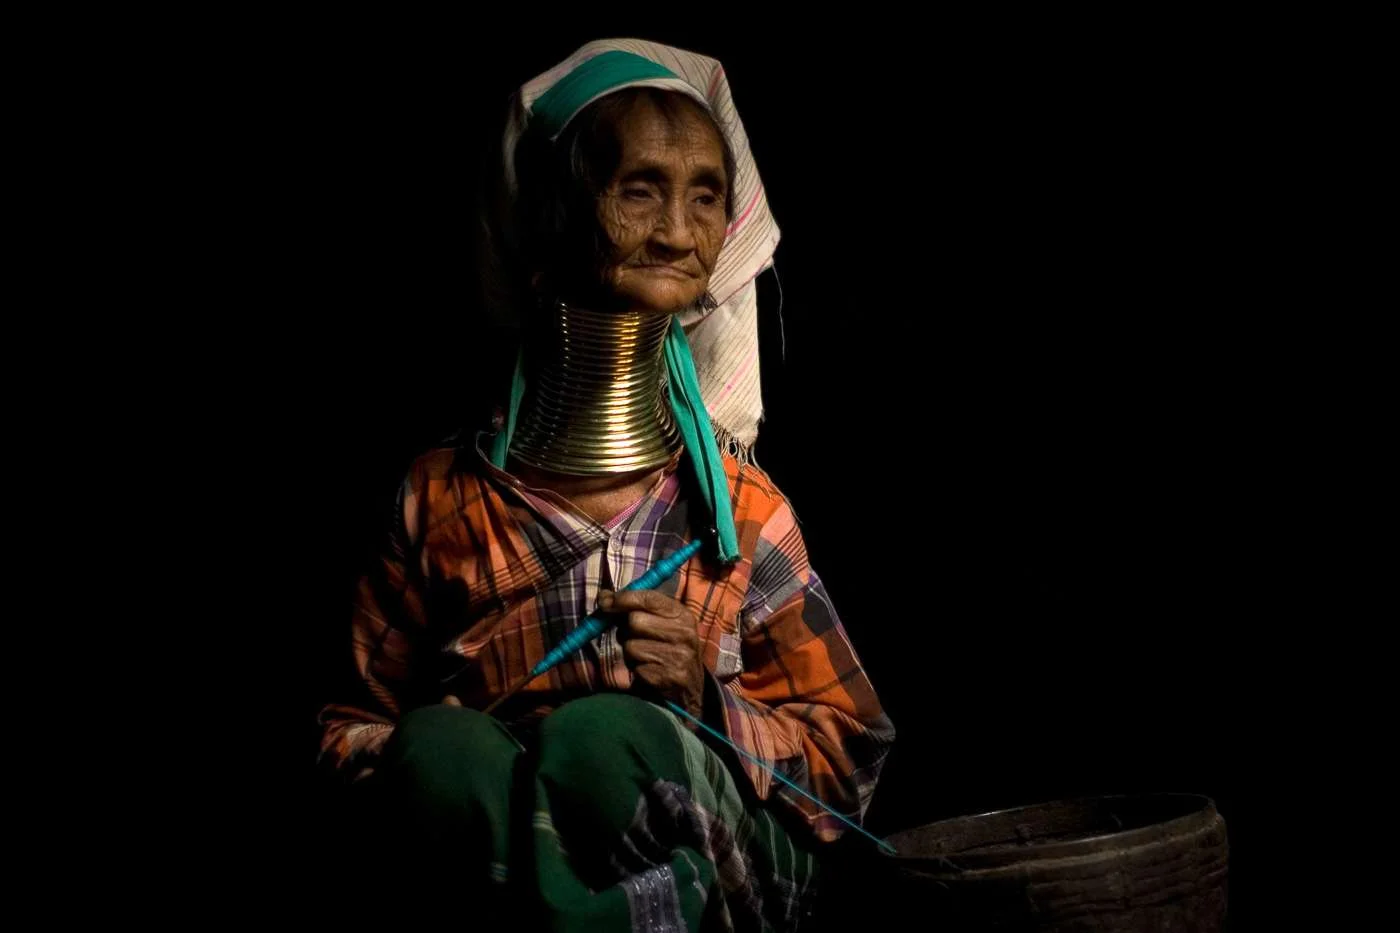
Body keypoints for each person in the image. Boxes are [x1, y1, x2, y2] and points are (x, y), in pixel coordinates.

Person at [319, 39, 894, 931]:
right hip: (488, 845)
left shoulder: (739, 509)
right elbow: (347, 726)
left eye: (705, 194)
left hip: (714, 859)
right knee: (440, 748)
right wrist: (462, 750)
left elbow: (849, 753)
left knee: (599, 739)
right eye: (638, 188)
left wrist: (706, 697)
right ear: (552, 213)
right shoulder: (443, 498)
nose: (675, 231)